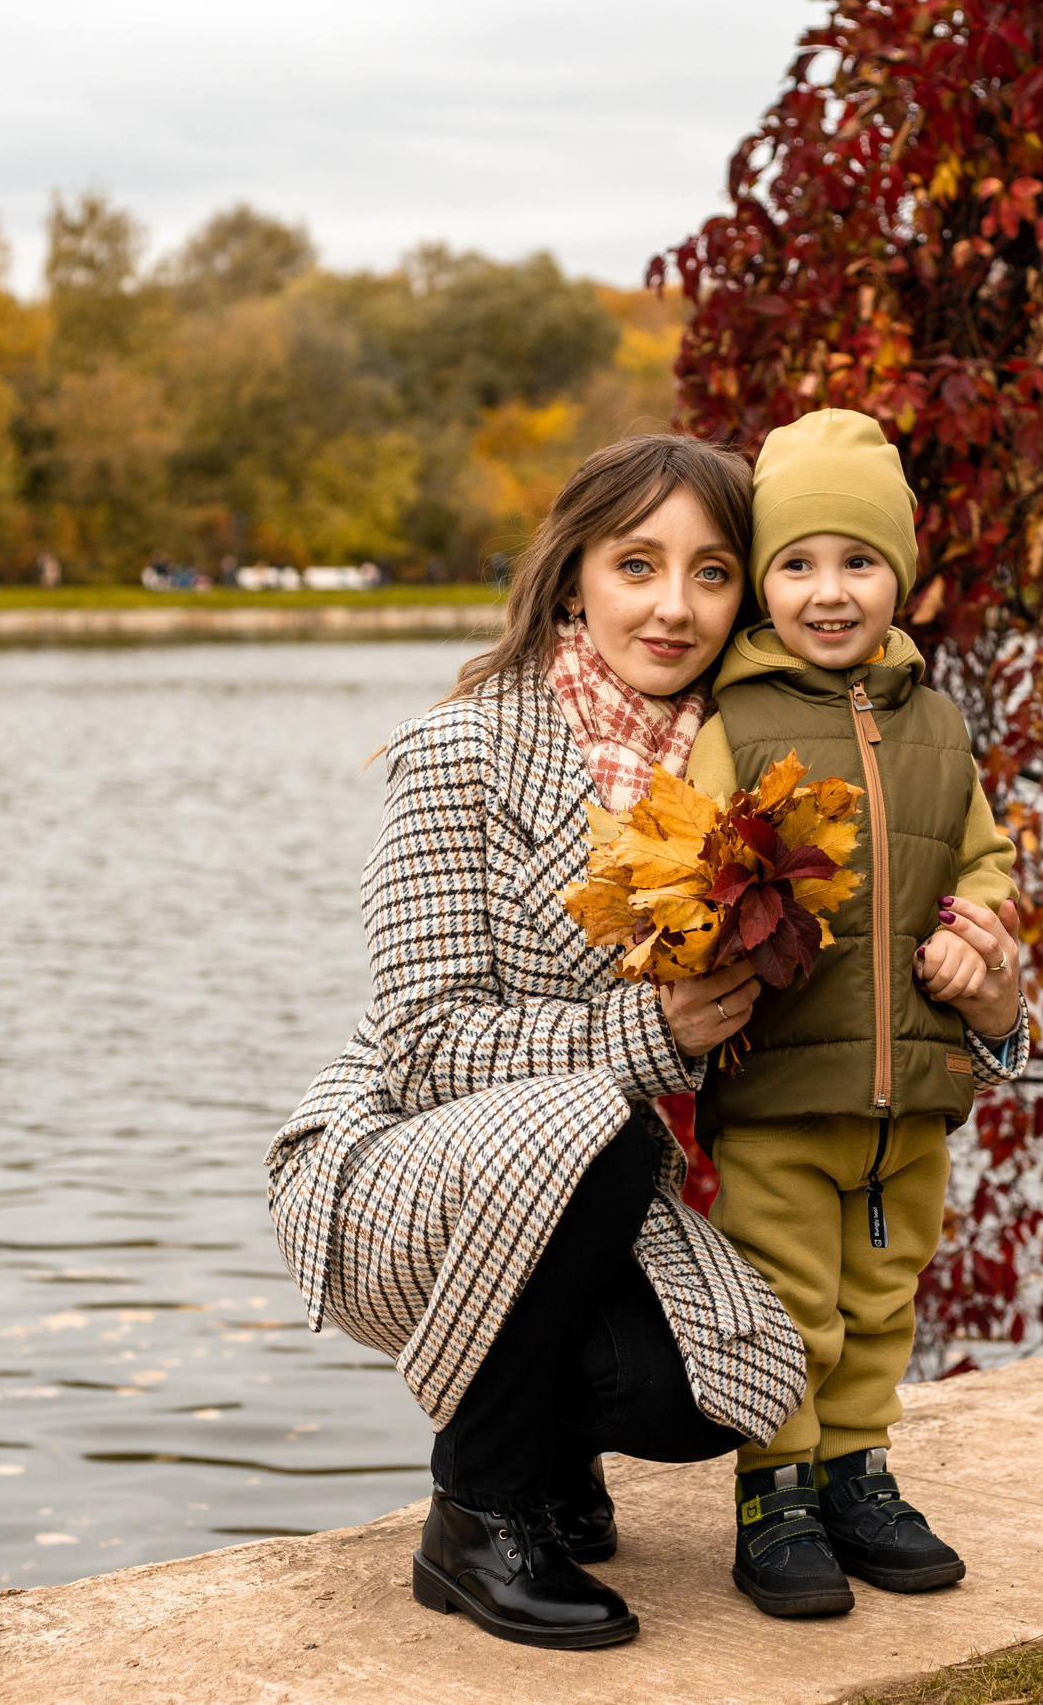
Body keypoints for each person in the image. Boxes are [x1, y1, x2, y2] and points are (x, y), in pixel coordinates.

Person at [264, 435, 806, 1652]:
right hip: (400, 1172)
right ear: (575, 579)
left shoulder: (753, 777)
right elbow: (421, 1041)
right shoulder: (463, 751)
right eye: (637, 565)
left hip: (601, 1193)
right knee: (599, 1112)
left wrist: (990, 1009)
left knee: (718, 1385)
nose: (673, 606)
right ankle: (477, 1511)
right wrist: (647, 1035)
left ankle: (558, 1457)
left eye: (712, 573)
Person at [683, 408, 1030, 1619]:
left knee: (884, 1296)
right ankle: (773, 1489)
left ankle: (854, 1471)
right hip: (780, 1089)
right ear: (762, 583)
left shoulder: (936, 723)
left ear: (900, 575)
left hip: (912, 1094)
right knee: (788, 1298)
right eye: (796, 564)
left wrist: (972, 929)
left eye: (858, 561)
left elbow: (983, 858)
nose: (829, 592)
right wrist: (712, 930)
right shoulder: (735, 724)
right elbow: (691, 866)